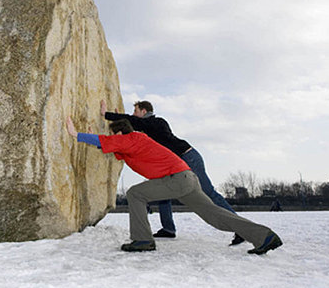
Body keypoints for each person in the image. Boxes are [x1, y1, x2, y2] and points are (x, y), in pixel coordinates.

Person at [66, 116, 283, 254]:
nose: (114, 139)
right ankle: (264, 236)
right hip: (187, 179)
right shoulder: (132, 145)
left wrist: (76, 135)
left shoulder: (133, 137)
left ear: (121, 133)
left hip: (177, 179)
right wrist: (105, 112)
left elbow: (106, 142)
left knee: (135, 193)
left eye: (115, 134)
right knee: (214, 215)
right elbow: (109, 147)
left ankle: (143, 240)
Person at [101, 100, 244, 246]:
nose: (134, 114)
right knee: (163, 192)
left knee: (209, 192)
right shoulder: (147, 129)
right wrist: (121, 124)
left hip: (188, 157)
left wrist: (107, 115)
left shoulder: (156, 122)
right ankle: (168, 228)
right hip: (174, 166)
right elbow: (130, 133)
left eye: (136, 111)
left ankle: (241, 228)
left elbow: (136, 123)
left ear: (144, 111)